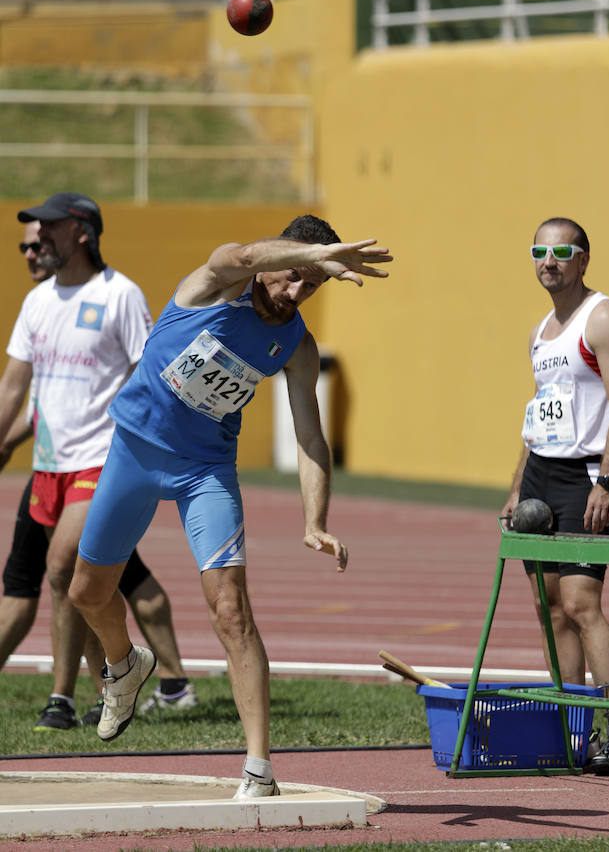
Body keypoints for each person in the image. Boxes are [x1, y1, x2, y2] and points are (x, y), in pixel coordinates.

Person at [68, 215, 391, 797]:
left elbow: (310, 437)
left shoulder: (297, 345)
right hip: (134, 454)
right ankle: (124, 664)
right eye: (292, 277)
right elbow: (240, 255)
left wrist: (315, 521)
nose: (295, 295)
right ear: (274, 264)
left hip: (205, 473)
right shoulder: (214, 284)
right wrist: (315, 254)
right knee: (86, 593)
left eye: (311, 287)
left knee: (231, 610)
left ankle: (258, 769)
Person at [0, 192, 197, 732]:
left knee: (62, 566)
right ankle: (115, 677)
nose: (38, 237)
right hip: (48, 465)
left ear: (82, 232)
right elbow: (14, 383)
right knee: (78, 580)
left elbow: (148, 372)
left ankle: (78, 690)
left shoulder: (121, 295)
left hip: (103, 459)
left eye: (49, 227)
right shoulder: (38, 302)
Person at [501, 216, 609, 770]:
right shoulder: (540, 331)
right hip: (539, 475)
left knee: (583, 605)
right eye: (540, 250)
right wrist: (515, 488)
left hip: (583, 479)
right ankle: (571, 732)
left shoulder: (601, 317)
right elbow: (538, 418)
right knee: (548, 608)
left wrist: (608, 480)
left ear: (583, 259)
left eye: (562, 250)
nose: (549, 260)